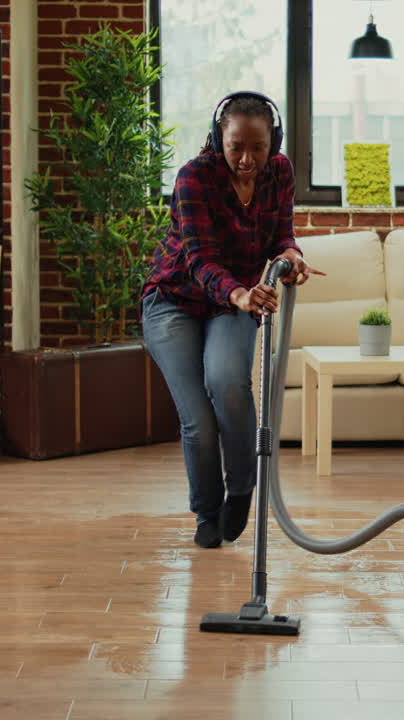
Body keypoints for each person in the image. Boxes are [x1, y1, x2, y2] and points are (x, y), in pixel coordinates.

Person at [140, 92, 323, 549]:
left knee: (229, 385)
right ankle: (206, 509)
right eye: (236, 146)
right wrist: (241, 293)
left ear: (273, 142)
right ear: (217, 138)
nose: (247, 159)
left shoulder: (279, 171)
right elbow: (200, 260)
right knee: (198, 419)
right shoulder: (194, 178)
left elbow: (281, 230)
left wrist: (290, 254)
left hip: (234, 301)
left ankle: (241, 488)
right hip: (175, 299)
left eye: (258, 147)